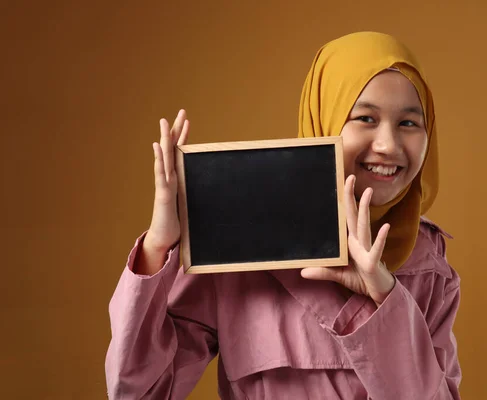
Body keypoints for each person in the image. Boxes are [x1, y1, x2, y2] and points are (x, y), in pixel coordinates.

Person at [105, 31, 461, 399]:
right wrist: (158, 244)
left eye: (409, 123)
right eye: (365, 118)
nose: (387, 145)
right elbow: (139, 392)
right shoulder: (242, 238)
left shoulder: (429, 265)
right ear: (322, 117)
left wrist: (386, 298)